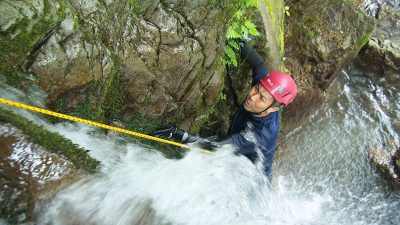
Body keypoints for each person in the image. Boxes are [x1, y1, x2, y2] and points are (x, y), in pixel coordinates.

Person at [151, 40, 297, 181]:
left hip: (250, 179)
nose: (252, 96)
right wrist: (239, 43)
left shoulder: (259, 135)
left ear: (272, 109)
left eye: (261, 98)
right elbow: (259, 64)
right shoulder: (266, 91)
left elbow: (218, 147)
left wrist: (178, 134)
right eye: (256, 88)